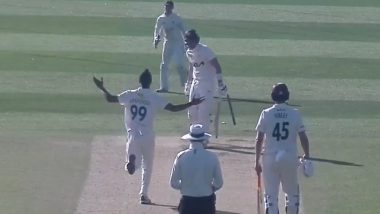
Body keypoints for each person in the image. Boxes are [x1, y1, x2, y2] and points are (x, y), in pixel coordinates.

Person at [93, 69, 203, 205]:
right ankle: (143, 195)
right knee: (148, 166)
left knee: (135, 160)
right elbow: (173, 108)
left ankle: (132, 160)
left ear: (140, 82)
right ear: (150, 82)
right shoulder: (153, 97)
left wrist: (102, 87)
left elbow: (110, 98)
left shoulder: (130, 94)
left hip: (132, 135)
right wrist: (191, 103)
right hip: (148, 136)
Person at [254, 83, 311, 214]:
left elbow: (259, 139)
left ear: (273, 96)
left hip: (270, 159)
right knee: (292, 196)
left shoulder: (266, 113)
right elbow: (303, 137)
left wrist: (256, 162)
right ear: (287, 96)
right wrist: (307, 156)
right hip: (290, 158)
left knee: (271, 197)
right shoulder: (295, 113)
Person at [170, 124, 223, 214]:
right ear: (204, 140)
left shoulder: (181, 156)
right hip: (206, 202)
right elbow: (219, 183)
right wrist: (209, 188)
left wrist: (186, 187)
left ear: (190, 139)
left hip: (187, 202)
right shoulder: (212, 157)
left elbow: (173, 183)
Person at [183, 29, 228, 138]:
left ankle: (204, 137)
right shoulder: (189, 52)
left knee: (203, 112)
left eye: (188, 41)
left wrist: (221, 84)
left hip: (207, 84)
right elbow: (191, 67)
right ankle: (194, 134)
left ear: (194, 41)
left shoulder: (205, 51)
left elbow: (217, 66)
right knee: (192, 110)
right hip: (195, 83)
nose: (186, 43)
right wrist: (188, 84)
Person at [153, 0, 187, 92]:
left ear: (172, 8)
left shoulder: (177, 18)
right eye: (166, 6)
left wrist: (186, 41)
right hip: (168, 43)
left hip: (177, 43)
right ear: (164, 7)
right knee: (164, 65)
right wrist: (156, 40)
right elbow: (157, 30)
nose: (167, 8)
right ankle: (164, 87)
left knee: (179, 64)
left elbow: (184, 29)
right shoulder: (161, 18)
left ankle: (186, 85)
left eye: (169, 6)